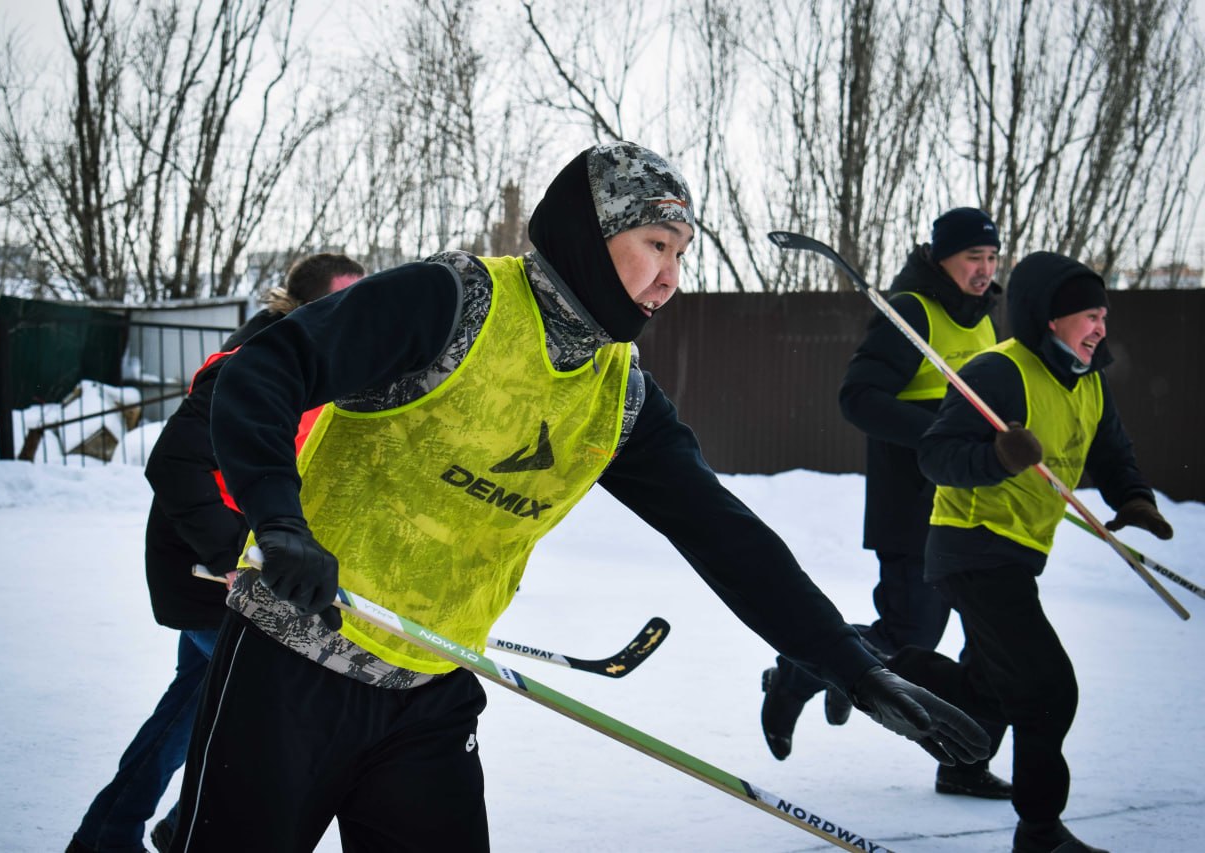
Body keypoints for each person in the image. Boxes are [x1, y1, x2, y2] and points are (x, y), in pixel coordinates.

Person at [172, 141, 990, 852]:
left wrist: (850, 665)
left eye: (683, 256)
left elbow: (725, 535)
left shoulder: (619, 393)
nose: (671, 279)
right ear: (592, 237)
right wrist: (279, 521)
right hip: (289, 665)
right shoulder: (454, 300)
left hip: (429, 688)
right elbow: (263, 371)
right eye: (655, 245)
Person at [66, 253, 365, 853]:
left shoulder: (328, 365)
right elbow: (175, 463)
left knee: (190, 713)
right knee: (280, 715)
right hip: (212, 572)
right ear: (302, 307)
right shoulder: (255, 366)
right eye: (341, 304)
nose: (354, 317)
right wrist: (234, 554)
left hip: (247, 568)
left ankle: (119, 835)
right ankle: (181, 829)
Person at [884, 251, 1174, 853]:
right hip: (972, 548)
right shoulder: (999, 372)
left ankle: (852, 662)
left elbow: (1111, 453)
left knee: (991, 695)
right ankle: (1040, 832)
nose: (1100, 328)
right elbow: (935, 456)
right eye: (1089, 316)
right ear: (1050, 318)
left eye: (1103, 316)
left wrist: (1135, 498)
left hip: (1017, 554)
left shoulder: (1089, 381)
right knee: (1048, 689)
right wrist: (995, 458)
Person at [761, 207, 1012, 797]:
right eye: (973, 258)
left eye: (992, 258)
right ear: (940, 258)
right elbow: (859, 399)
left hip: (971, 508)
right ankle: (798, 672)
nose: (984, 269)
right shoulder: (911, 312)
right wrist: (940, 434)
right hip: (914, 507)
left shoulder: (983, 323)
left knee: (993, 639)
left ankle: (963, 765)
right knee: (908, 638)